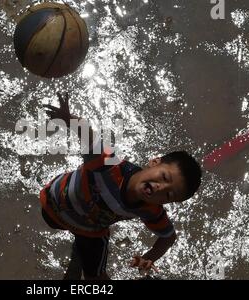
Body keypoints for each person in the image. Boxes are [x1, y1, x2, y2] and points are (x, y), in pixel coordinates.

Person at [41, 92, 202, 280]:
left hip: (90, 232)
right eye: (164, 177)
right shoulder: (108, 166)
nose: (161, 188)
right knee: (55, 225)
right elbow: (88, 135)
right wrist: (69, 119)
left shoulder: (151, 210)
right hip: (53, 203)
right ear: (154, 162)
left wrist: (149, 258)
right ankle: (78, 249)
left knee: (96, 277)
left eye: (168, 195)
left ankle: (80, 249)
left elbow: (168, 237)